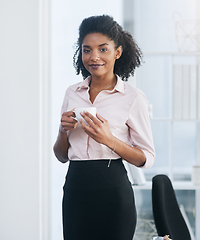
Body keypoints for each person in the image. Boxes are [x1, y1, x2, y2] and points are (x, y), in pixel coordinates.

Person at [53, 15, 155, 240]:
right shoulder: (72, 93)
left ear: (117, 52)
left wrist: (109, 140)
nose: (94, 57)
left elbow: (146, 158)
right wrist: (63, 131)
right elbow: (61, 155)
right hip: (75, 190)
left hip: (113, 192)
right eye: (87, 50)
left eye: (103, 49)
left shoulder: (132, 97)